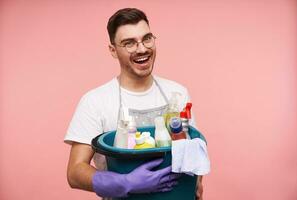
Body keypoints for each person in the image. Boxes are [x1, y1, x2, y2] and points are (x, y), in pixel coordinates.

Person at [65, 8, 204, 199]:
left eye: (147, 38)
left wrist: (196, 185)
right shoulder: (95, 101)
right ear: (113, 51)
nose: (142, 49)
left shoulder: (178, 93)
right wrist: (125, 183)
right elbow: (75, 172)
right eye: (129, 43)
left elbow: (193, 150)